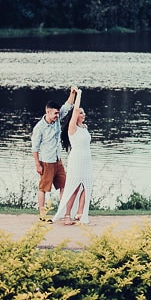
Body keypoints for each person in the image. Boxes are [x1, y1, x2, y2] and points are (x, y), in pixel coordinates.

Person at [31, 86, 77, 221]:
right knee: (43, 188)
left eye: (58, 113)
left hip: (58, 160)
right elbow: (34, 148)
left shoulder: (56, 120)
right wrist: (38, 164)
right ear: (48, 112)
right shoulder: (39, 128)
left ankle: (62, 211)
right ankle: (42, 214)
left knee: (64, 185)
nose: (58, 116)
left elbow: (67, 106)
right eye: (55, 113)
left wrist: (72, 93)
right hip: (46, 161)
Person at [53, 88, 94, 225]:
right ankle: (67, 216)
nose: (83, 114)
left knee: (86, 186)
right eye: (81, 112)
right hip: (76, 160)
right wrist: (79, 94)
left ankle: (80, 214)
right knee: (74, 188)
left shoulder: (84, 127)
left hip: (86, 161)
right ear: (76, 115)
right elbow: (75, 110)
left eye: (83, 112)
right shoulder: (73, 128)